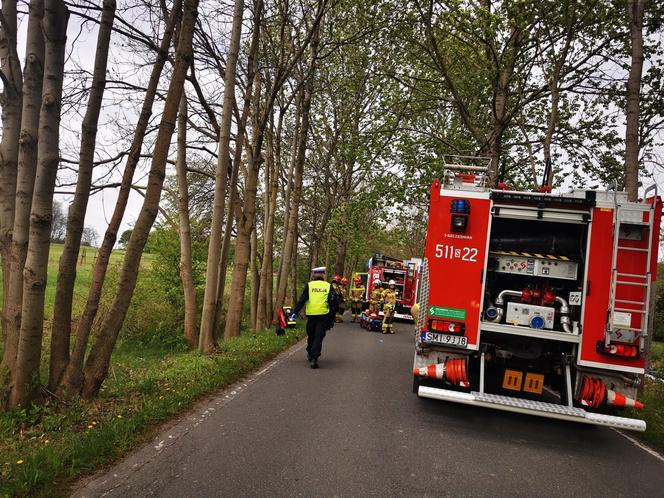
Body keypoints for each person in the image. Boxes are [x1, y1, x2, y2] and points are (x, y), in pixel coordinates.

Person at [291, 267, 338, 369]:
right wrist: (333, 315)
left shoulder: (309, 285)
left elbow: (302, 300)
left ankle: (313, 356)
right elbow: (333, 302)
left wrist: (295, 312)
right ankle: (312, 354)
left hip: (312, 315)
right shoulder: (329, 286)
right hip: (324, 314)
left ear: (314, 275)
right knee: (318, 336)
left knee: (312, 334)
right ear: (323, 275)